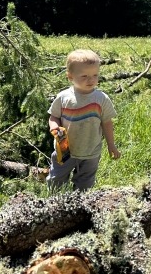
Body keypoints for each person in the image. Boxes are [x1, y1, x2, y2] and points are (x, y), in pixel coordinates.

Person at [47, 49, 121, 191]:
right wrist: (54, 127)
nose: (91, 80)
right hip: (65, 150)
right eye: (84, 76)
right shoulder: (64, 97)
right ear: (70, 76)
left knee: (85, 184)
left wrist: (111, 145)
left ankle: (80, 207)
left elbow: (107, 123)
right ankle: (54, 204)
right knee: (56, 180)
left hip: (91, 151)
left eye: (95, 75)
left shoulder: (101, 99)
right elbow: (54, 116)